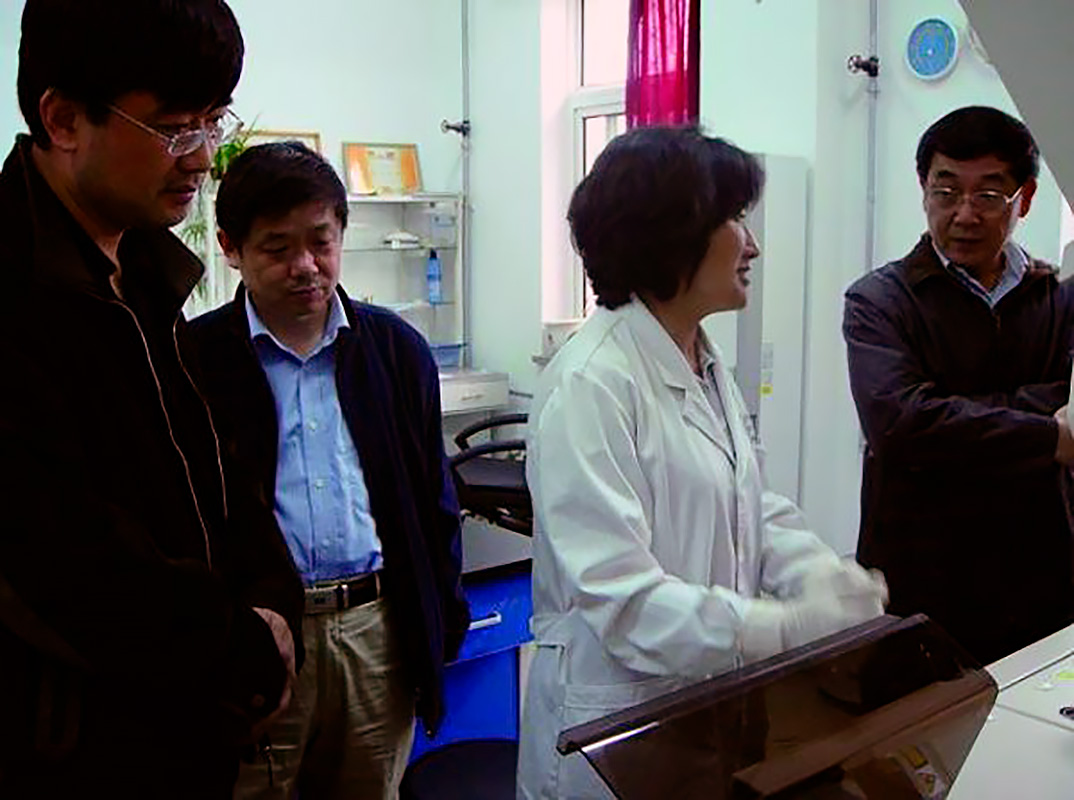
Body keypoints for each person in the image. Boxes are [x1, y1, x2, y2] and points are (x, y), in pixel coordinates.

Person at [517, 126, 887, 800]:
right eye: (735, 218)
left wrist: (818, 573)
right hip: (617, 717)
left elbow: (748, 504)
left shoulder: (701, 358)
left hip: (708, 701)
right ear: (672, 234)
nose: (753, 245)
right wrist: (788, 625)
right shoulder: (591, 383)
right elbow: (623, 601)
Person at [0, 1, 305, 798]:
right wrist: (241, 648)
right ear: (64, 119)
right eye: (173, 128)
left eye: (213, 119)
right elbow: (67, 556)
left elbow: (219, 477)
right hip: (78, 754)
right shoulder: (16, 291)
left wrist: (274, 605)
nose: (203, 156)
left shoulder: (144, 272)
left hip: (192, 731)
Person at [186, 142, 470, 800]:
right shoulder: (195, 360)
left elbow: (434, 501)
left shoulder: (396, 350)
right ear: (230, 248)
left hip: (376, 632)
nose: (306, 266)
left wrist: (441, 622)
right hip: (261, 642)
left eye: (321, 241)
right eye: (277, 248)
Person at [844, 105, 1074, 666]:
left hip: (1039, 576)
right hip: (924, 580)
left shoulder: (1056, 298)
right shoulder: (880, 301)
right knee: (917, 720)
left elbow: (1068, 401)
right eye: (946, 192)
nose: (964, 214)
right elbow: (903, 426)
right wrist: (1050, 435)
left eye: (989, 195)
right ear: (923, 189)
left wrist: (957, 414)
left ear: (1025, 198)